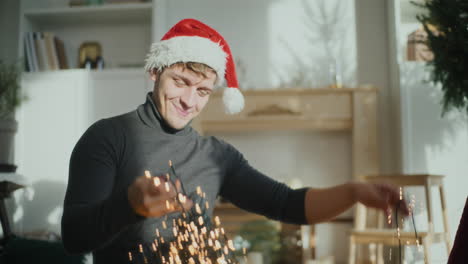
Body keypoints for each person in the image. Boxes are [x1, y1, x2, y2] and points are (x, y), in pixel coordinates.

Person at [61, 18, 408, 264]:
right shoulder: (107, 138)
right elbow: (74, 238)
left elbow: (286, 203)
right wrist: (130, 205)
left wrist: (353, 192)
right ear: (155, 72)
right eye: (180, 81)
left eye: (202, 91)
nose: (189, 101)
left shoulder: (216, 156)